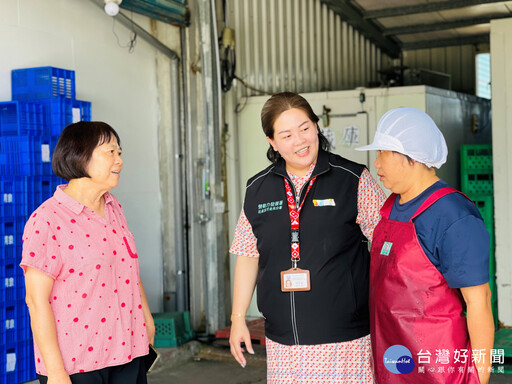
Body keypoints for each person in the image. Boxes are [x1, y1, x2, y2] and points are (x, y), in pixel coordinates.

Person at [229, 92, 386, 383]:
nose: (299, 141)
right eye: (286, 135)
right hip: (283, 343)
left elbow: (387, 246)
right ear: (272, 143)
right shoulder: (257, 189)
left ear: (316, 126)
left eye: (304, 128)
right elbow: (248, 254)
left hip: (346, 341)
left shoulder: (352, 179)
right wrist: (238, 318)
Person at [356, 107, 494, 383]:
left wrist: (479, 377)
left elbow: (478, 302)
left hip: (441, 372)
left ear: (412, 156)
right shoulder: (390, 208)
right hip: (393, 364)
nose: (377, 164)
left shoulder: (453, 215)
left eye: (383, 153)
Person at [20, 121, 155, 384]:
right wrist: (56, 372)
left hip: (128, 350)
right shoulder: (47, 220)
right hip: (77, 363)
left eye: (120, 152)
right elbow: (36, 301)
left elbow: (128, 269)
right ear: (80, 156)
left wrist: (147, 320)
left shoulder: (114, 208)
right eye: (110, 152)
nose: (119, 161)